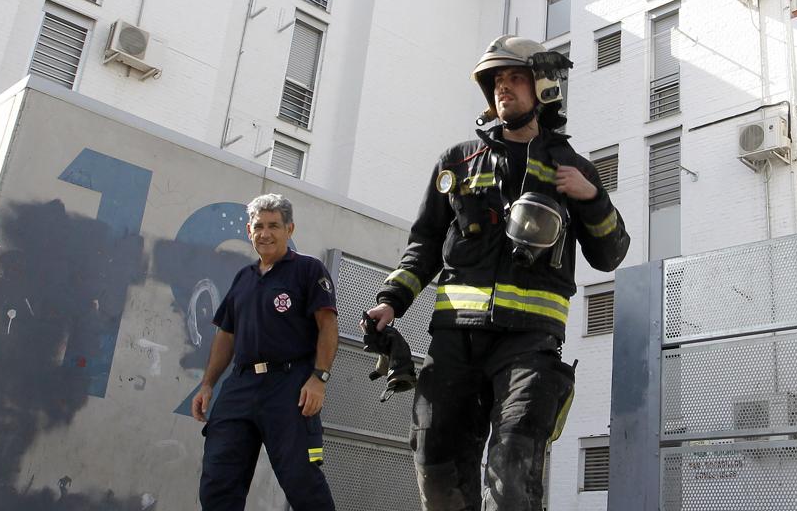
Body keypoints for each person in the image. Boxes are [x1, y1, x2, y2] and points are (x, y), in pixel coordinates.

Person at [365, 36, 631, 511]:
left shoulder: (572, 167)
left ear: (543, 87)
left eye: (514, 78)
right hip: (454, 340)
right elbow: (425, 243)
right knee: (435, 465)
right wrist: (392, 300)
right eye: (496, 81)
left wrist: (592, 199)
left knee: (512, 471)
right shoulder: (457, 162)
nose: (502, 89)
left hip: (529, 342)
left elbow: (610, 255)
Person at [192, 193, 338, 511]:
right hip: (240, 387)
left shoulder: (308, 270)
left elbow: (328, 326)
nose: (265, 233)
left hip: (291, 386)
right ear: (249, 231)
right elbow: (226, 336)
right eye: (258, 226)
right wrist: (207, 384)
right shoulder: (244, 279)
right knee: (218, 481)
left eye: (274, 225)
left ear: (290, 229)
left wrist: (319, 378)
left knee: (302, 483)